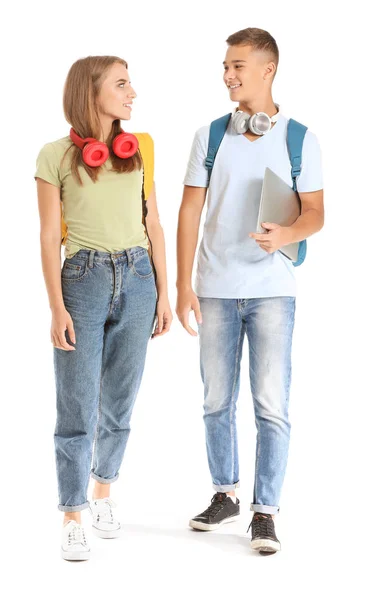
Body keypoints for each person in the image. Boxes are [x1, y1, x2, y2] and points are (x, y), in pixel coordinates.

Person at [176, 28, 324, 554]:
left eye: (238, 66)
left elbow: (316, 214)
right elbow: (190, 208)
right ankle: (225, 494)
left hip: (272, 292)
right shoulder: (210, 135)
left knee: (271, 405)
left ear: (269, 69)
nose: (228, 75)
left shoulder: (300, 137)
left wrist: (286, 234)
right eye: (224, 66)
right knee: (216, 400)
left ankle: (265, 511)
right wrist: (182, 283)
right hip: (214, 288)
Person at [35, 55, 172, 561]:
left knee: (120, 399)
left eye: (130, 83)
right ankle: (71, 513)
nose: (132, 92)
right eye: (121, 84)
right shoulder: (53, 155)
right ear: (91, 93)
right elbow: (50, 237)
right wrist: (56, 307)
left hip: (138, 279)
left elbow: (154, 224)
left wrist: (165, 292)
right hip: (83, 281)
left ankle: (103, 493)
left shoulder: (141, 151)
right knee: (76, 406)